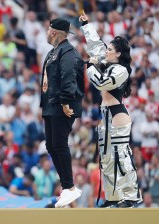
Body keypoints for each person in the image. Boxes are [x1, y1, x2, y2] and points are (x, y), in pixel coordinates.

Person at [79, 11, 142, 208]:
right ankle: (114, 196)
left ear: (118, 53)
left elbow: (102, 83)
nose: (106, 51)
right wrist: (86, 25)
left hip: (117, 114)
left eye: (110, 49)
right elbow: (96, 45)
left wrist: (90, 66)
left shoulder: (121, 70)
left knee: (121, 154)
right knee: (106, 157)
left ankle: (131, 195)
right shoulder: (107, 62)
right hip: (106, 113)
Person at [40, 18, 84, 208]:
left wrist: (66, 101)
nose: (47, 33)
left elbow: (68, 76)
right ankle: (66, 186)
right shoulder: (53, 52)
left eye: (48, 30)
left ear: (54, 32)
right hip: (51, 104)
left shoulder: (68, 52)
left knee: (58, 143)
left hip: (61, 104)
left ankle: (69, 186)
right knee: (51, 145)